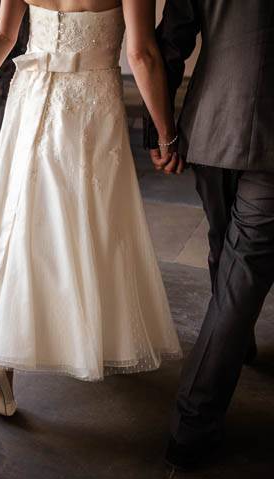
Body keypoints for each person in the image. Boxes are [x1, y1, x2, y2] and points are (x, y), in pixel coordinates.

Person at [0, 0, 183, 419]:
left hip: (30, 101)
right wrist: (165, 132)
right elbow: (141, 53)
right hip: (90, 107)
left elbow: (2, 35)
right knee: (95, 220)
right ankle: (90, 332)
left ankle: (2, 360)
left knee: (23, 216)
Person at [143, 0, 274, 471]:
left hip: (211, 125)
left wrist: (157, 130)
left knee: (229, 249)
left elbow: (173, 37)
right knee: (242, 269)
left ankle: (237, 342)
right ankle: (192, 424)